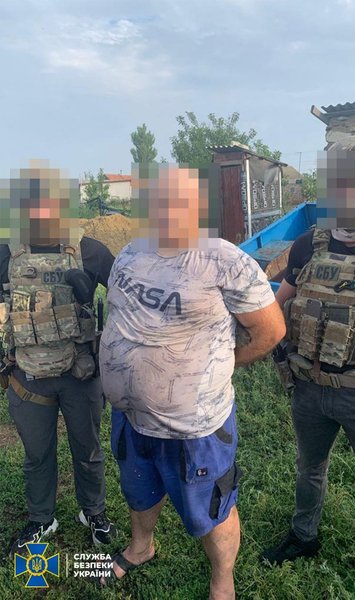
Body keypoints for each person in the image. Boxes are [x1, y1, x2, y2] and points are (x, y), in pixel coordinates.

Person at [99, 164, 286, 599]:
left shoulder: (225, 261)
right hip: (130, 416)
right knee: (138, 490)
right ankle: (141, 547)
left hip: (193, 429)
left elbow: (271, 331)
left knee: (212, 509)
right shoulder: (131, 251)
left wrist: (220, 368)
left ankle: (222, 580)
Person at [261, 134, 355, 600]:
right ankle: (304, 536)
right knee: (309, 470)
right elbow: (278, 306)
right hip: (310, 390)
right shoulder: (308, 244)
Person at [0, 162, 117, 557]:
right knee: (37, 455)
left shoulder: (88, 251)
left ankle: (94, 512)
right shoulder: (6, 253)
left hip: (79, 373)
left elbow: (126, 296)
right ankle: (41, 518)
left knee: (89, 450)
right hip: (27, 376)